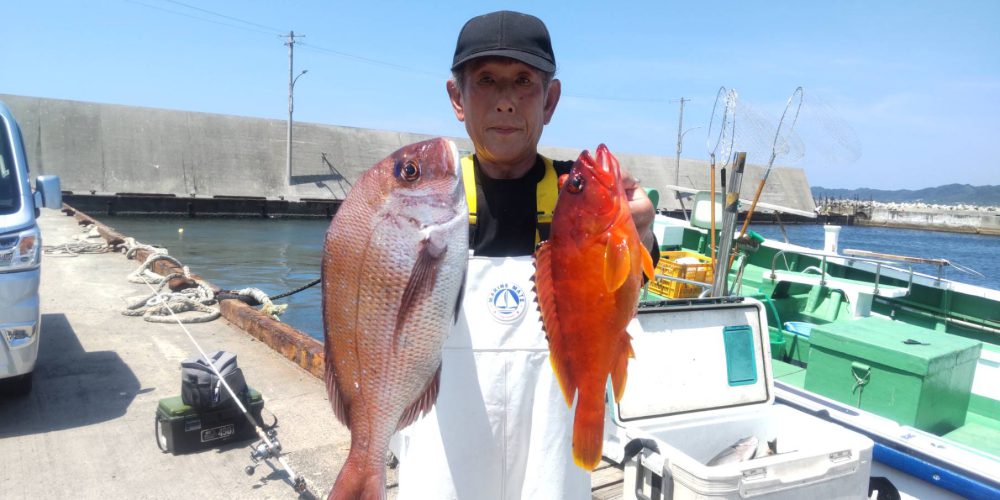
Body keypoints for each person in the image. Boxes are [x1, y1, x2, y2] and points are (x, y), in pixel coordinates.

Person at [392, 11, 657, 499]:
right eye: (487, 81)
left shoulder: (578, 192)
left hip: (552, 450)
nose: (506, 101)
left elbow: (624, 289)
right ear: (457, 98)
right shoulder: (430, 200)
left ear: (550, 100)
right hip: (442, 451)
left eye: (524, 82)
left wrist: (642, 230)